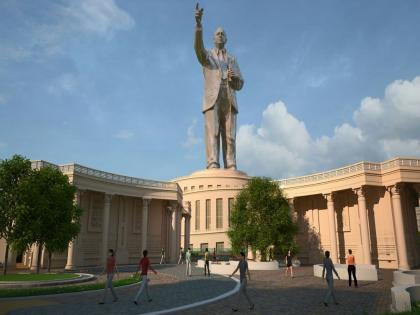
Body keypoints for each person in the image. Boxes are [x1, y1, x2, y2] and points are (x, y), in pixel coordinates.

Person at [194, 3, 244, 170]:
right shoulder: (207, 56)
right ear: (213, 38)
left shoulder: (232, 59)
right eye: (218, 34)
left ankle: (231, 163)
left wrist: (234, 78)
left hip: (229, 97)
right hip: (212, 98)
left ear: (226, 38)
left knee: (230, 135)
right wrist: (198, 26)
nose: (220, 35)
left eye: (223, 34)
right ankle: (213, 162)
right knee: (213, 132)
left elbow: (240, 84)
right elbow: (198, 49)